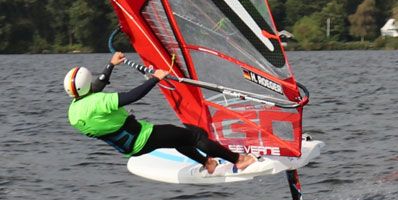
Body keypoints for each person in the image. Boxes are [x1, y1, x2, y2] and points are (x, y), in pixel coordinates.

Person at [65, 52, 257, 174]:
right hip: (143, 136)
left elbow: (95, 88)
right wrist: (154, 79)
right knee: (194, 136)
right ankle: (238, 160)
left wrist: (111, 65)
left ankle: (208, 163)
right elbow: (132, 96)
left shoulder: (74, 112)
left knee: (175, 139)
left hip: (130, 149)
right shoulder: (98, 102)